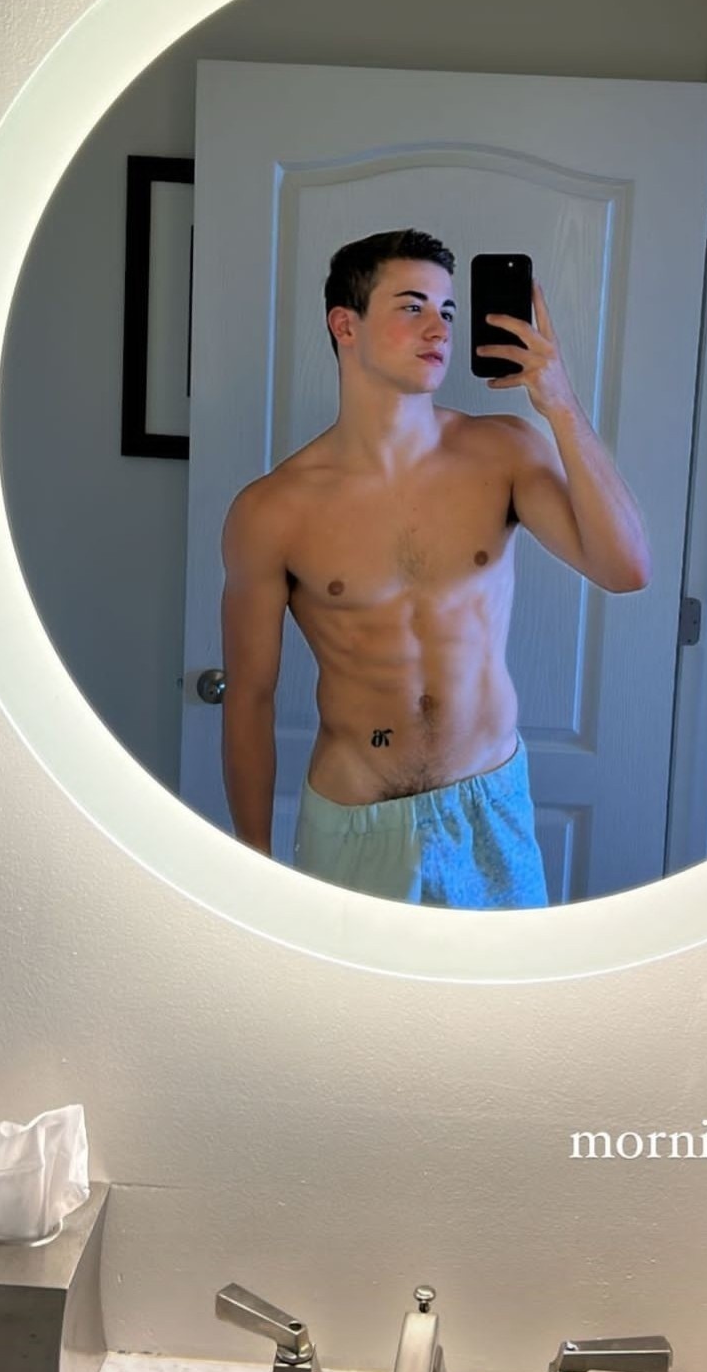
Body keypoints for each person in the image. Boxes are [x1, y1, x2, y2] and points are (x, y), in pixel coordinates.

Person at [220, 229, 651, 907]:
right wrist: (253, 867)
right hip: (357, 823)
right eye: (412, 306)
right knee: (351, 985)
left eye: (448, 311)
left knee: (510, 982)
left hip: (491, 807)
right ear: (345, 325)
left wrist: (561, 405)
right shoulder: (272, 511)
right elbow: (249, 698)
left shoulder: (504, 452)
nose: (439, 328)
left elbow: (626, 568)